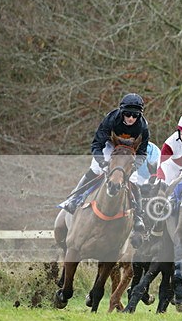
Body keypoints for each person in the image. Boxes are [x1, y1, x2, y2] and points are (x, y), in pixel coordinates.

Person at [60, 93, 150, 242]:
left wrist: (134, 166)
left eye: (135, 116)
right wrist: (102, 162)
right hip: (110, 147)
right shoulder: (111, 119)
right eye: (127, 114)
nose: (131, 119)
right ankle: (74, 198)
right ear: (122, 112)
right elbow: (97, 144)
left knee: (134, 180)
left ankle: (138, 217)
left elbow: (142, 152)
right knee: (95, 170)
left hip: (128, 154)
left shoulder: (143, 127)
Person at [154, 114, 182, 185]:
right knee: (160, 183)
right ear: (179, 131)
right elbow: (162, 162)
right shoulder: (171, 141)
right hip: (171, 168)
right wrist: (160, 177)